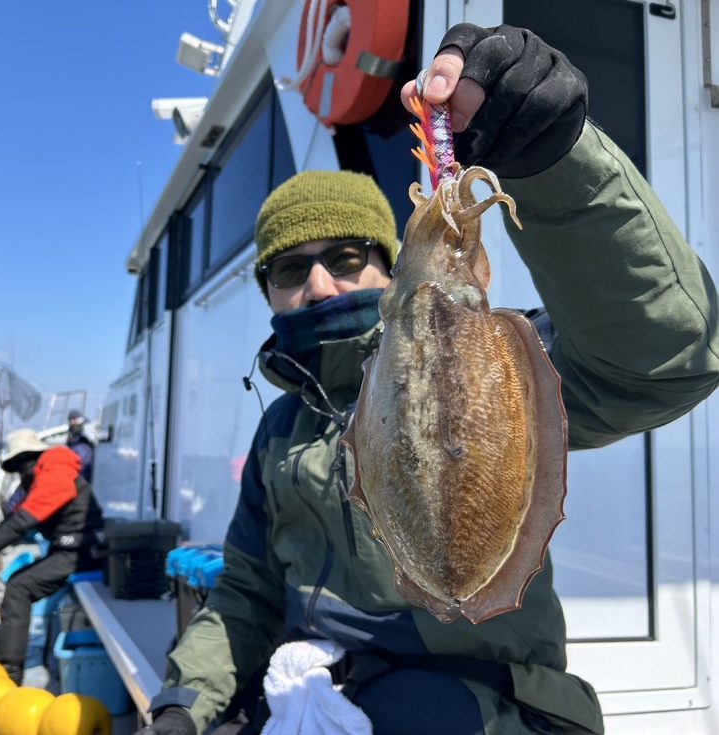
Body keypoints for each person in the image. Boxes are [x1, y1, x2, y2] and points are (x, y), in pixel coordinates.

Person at [137, 23, 719, 735]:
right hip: (326, 688)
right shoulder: (281, 429)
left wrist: (557, 163)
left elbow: (663, 358)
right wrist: (182, 702)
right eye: (292, 269)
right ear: (269, 291)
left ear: (387, 267)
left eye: (348, 258)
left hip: (491, 700)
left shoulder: (506, 361)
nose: (321, 285)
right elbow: (246, 593)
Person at [0, 428, 105, 684]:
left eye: (18, 464)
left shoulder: (55, 470)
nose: (19, 471)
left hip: (80, 552)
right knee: (18, 580)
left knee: (18, 587)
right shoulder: (43, 472)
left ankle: (10, 672)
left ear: (27, 457)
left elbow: (27, 517)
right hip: (70, 549)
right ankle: (9, 661)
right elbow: (23, 514)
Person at [66, 409, 96, 484]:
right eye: (70, 419)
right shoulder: (72, 435)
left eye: (74, 418)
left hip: (85, 471)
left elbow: (93, 439)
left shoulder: (86, 430)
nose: (72, 422)